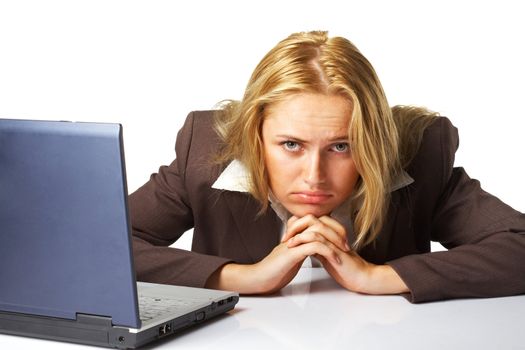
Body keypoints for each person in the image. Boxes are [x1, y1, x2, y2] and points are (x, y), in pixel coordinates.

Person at [130, 31, 525, 303]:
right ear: (255, 134)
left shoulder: (420, 154)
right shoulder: (205, 153)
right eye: (291, 145)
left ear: (371, 138)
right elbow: (96, 245)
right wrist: (246, 277)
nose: (314, 175)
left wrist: (375, 277)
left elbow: (518, 247)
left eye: (341, 146)